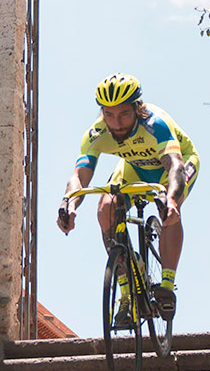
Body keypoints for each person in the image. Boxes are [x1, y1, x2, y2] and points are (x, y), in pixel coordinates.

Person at [57, 73, 199, 321]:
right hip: (135, 166)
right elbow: (80, 175)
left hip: (176, 165)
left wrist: (173, 200)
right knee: (106, 207)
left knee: (169, 210)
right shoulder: (96, 133)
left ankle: (166, 284)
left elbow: (174, 165)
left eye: (123, 114)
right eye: (109, 115)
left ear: (137, 108)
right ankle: (127, 292)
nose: (117, 122)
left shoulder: (155, 125)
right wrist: (68, 203)